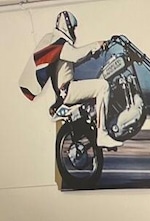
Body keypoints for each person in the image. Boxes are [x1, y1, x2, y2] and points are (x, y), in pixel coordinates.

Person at [17, 11, 120, 149]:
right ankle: (102, 134)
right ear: (67, 26)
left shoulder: (59, 44)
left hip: (67, 89)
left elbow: (74, 58)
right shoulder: (59, 43)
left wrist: (93, 53)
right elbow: (76, 55)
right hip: (68, 90)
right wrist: (96, 44)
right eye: (73, 28)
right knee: (103, 86)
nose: (74, 32)